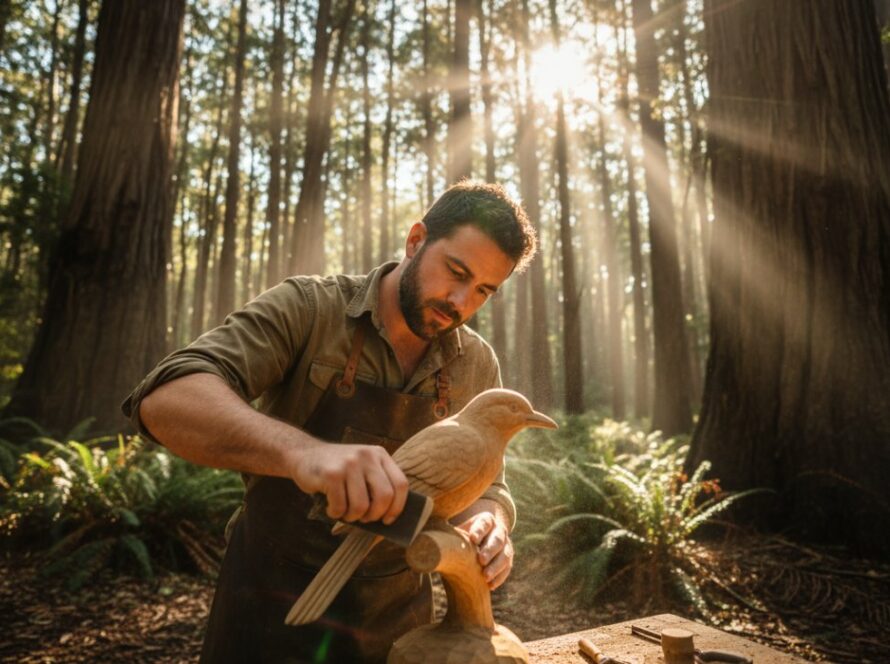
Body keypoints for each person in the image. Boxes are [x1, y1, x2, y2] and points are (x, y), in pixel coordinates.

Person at [122, 180, 538, 663]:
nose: (461, 302)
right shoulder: (309, 309)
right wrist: (304, 454)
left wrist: (488, 523)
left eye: (484, 290)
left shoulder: (475, 365)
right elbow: (165, 397)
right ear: (416, 240)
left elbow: (491, 486)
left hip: (397, 623)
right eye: (456, 272)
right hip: (268, 612)